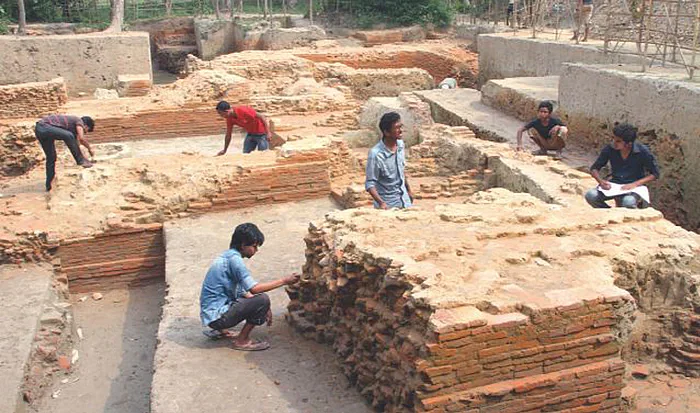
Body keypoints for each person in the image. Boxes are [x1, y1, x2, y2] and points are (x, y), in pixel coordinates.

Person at [200, 223, 300, 351]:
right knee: (262, 299)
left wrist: (263, 307)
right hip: (216, 317)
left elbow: (242, 290)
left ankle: (222, 330)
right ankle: (242, 341)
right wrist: (284, 281)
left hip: (210, 314)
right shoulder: (235, 261)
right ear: (243, 244)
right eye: (254, 246)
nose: (256, 250)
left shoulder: (227, 256)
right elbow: (254, 289)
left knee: (256, 300)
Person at [584, 123, 660, 209]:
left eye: (618, 141)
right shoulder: (610, 149)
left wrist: (634, 184)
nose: (614, 143)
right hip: (615, 185)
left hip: (633, 188)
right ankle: (610, 213)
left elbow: (655, 174)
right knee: (591, 195)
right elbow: (594, 168)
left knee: (628, 202)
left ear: (629, 144)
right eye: (613, 139)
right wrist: (601, 182)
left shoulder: (642, 151)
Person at [365, 112, 413, 209]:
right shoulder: (376, 155)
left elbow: (401, 172)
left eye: (401, 127)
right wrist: (381, 203)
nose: (401, 131)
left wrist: (409, 191)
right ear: (386, 132)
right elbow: (370, 184)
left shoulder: (400, 145)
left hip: (405, 201)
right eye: (397, 128)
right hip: (388, 205)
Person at [34, 114, 95, 191]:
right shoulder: (79, 121)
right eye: (86, 130)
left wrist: (85, 157)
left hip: (40, 130)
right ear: (86, 126)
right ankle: (81, 161)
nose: (85, 132)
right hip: (44, 126)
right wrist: (90, 149)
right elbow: (81, 139)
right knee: (68, 135)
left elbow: (76, 144)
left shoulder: (73, 128)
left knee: (51, 157)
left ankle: (49, 185)